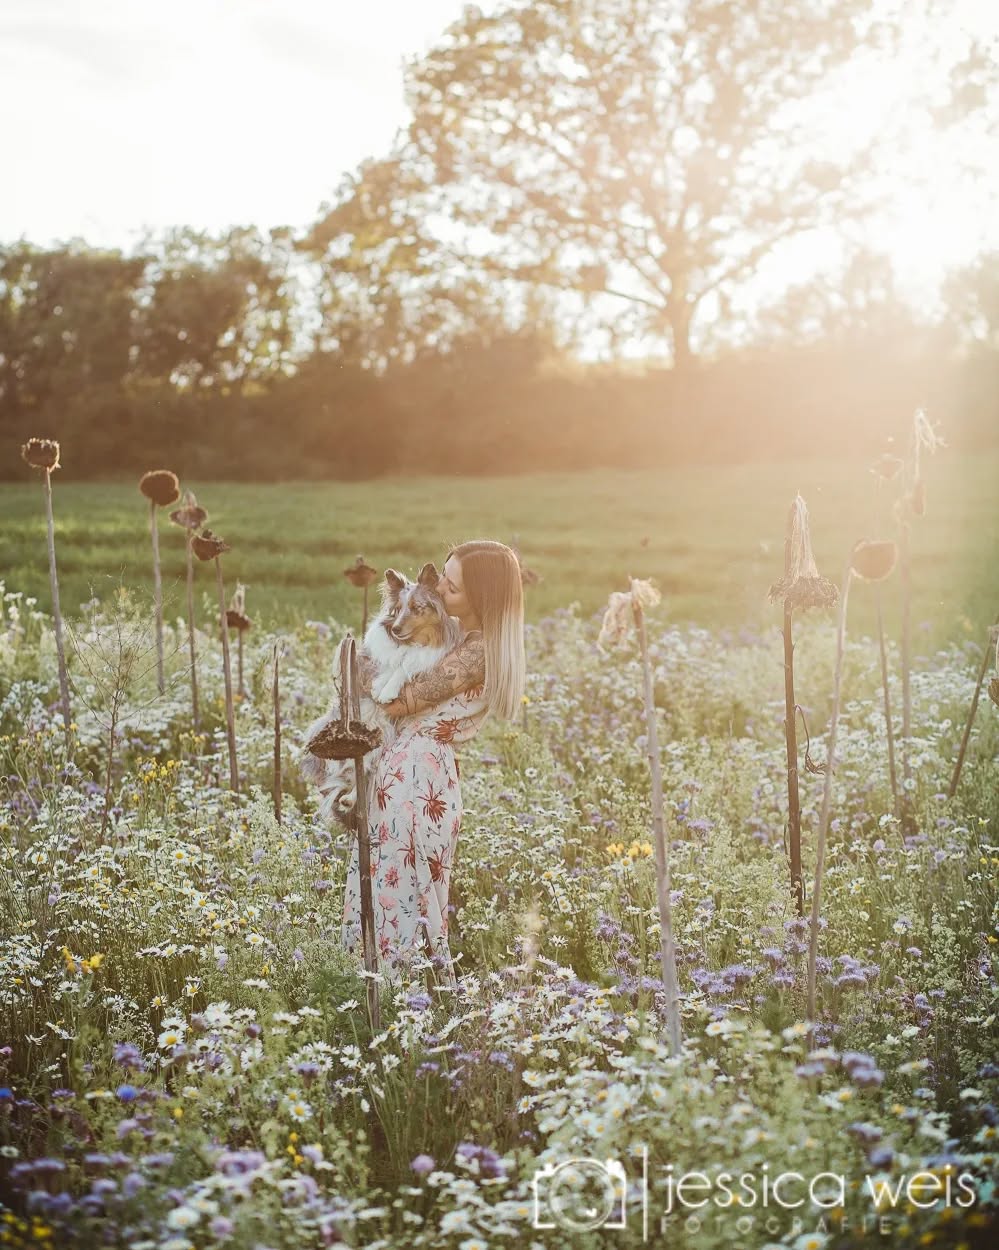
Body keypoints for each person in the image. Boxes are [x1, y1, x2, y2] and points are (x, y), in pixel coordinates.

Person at [340, 539, 526, 986]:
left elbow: (402, 702)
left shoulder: (476, 652)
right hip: (410, 771)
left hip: (418, 778)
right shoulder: (457, 637)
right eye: (443, 576)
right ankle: (381, 990)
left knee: (408, 887)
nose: (440, 590)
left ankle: (402, 994)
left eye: (453, 587)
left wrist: (353, 659)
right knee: (391, 880)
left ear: (482, 599)